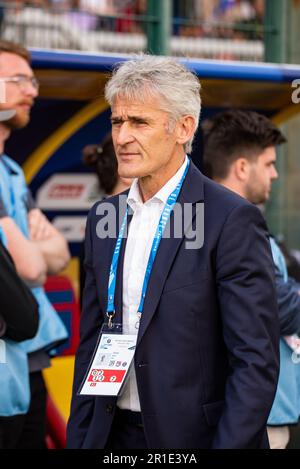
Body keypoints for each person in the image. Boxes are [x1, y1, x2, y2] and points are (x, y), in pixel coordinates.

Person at [67, 55, 279, 449]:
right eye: (117, 122)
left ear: (184, 127)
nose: (122, 137)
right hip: (111, 435)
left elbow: (255, 363)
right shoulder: (103, 217)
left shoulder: (230, 218)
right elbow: (93, 344)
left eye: (140, 122)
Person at [202, 109, 300, 449]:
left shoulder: (209, 218)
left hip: (257, 413)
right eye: (269, 164)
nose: (274, 174)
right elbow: (277, 307)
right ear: (243, 167)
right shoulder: (224, 225)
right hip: (254, 420)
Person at [0, 40, 70, 449]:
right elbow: (29, 268)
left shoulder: (11, 170)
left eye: (33, 80)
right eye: (18, 81)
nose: (33, 91)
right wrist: (31, 252)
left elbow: (57, 255)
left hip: (30, 353)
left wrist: (29, 251)